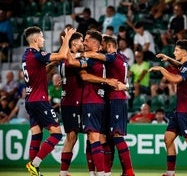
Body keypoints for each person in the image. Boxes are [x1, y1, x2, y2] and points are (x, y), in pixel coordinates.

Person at [77, 36, 135, 176]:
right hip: (112, 99)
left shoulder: (113, 56)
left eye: (102, 45)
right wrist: (126, 86)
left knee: (116, 136)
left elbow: (96, 56)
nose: (100, 48)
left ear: (109, 46)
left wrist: (79, 54)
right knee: (107, 138)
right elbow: (125, 82)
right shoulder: (123, 58)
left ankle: (129, 172)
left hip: (115, 99)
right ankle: (107, 172)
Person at [22, 26, 76, 176]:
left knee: (36, 134)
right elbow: (61, 55)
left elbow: (37, 72)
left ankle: (34, 173)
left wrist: (50, 65)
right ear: (35, 39)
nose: (43, 39)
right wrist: (66, 40)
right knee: (57, 134)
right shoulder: (37, 55)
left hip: (30, 100)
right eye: (41, 37)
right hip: (40, 100)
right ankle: (34, 164)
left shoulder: (26, 55)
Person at [149, 39, 187, 176]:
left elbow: (176, 79)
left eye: (176, 50)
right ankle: (170, 172)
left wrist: (162, 69)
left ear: (184, 52)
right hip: (179, 109)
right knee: (168, 138)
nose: (174, 52)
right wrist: (168, 59)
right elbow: (179, 64)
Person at [58, 32, 84, 176]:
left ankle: (64, 171)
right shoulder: (69, 58)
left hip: (70, 100)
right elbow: (74, 61)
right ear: (74, 43)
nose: (82, 43)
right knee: (71, 137)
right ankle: (63, 172)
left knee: (72, 138)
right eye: (80, 41)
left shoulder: (64, 58)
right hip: (71, 102)